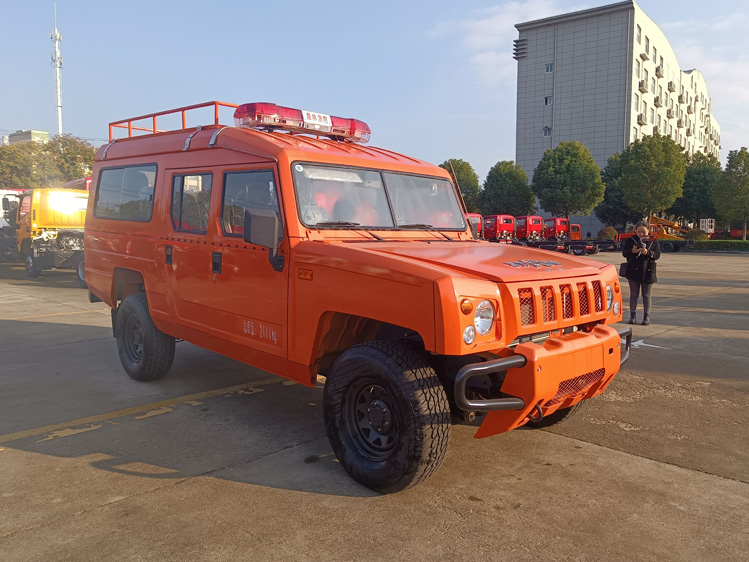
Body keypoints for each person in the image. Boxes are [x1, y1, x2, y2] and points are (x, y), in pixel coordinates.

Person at [622, 221, 661, 325]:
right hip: (633, 270)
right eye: (639, 232)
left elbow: (657, 254)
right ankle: (632, 316)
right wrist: (632, 251)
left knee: (646, 295)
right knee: (633, 294)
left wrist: (648, 253)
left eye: (643, 232)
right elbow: (624, 253)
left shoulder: (653, 240)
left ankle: (646, 317)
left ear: (648, 230)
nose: (641, 234)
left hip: (648, 270)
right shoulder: (631, 240)